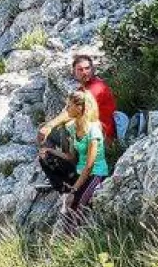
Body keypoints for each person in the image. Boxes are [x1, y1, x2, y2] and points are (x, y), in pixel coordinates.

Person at [35, 54, 117, 192]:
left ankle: (69, 171)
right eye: (80, 69)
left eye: (87, 68)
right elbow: (68, 111)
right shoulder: (82, 90)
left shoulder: (96, 88)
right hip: (91, 131)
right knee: (54, 128)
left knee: (60, 129)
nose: (85, 72)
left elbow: (69, 114)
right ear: (74, 72)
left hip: (101, 136)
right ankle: (61, 169)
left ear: (93, 69)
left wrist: (49, 126)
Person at [44, 89, 108, 235]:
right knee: (68, 206)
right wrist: (50, 151)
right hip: (80, 173)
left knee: (77, 204)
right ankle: (67, 240)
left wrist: (74, 190)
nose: (66, 109)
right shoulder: (73, 128)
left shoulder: (94, 130)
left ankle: (71, 241)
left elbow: (89, 165)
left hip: (96, 173)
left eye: (69, 105)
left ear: (80, 108)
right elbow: (71, 157)